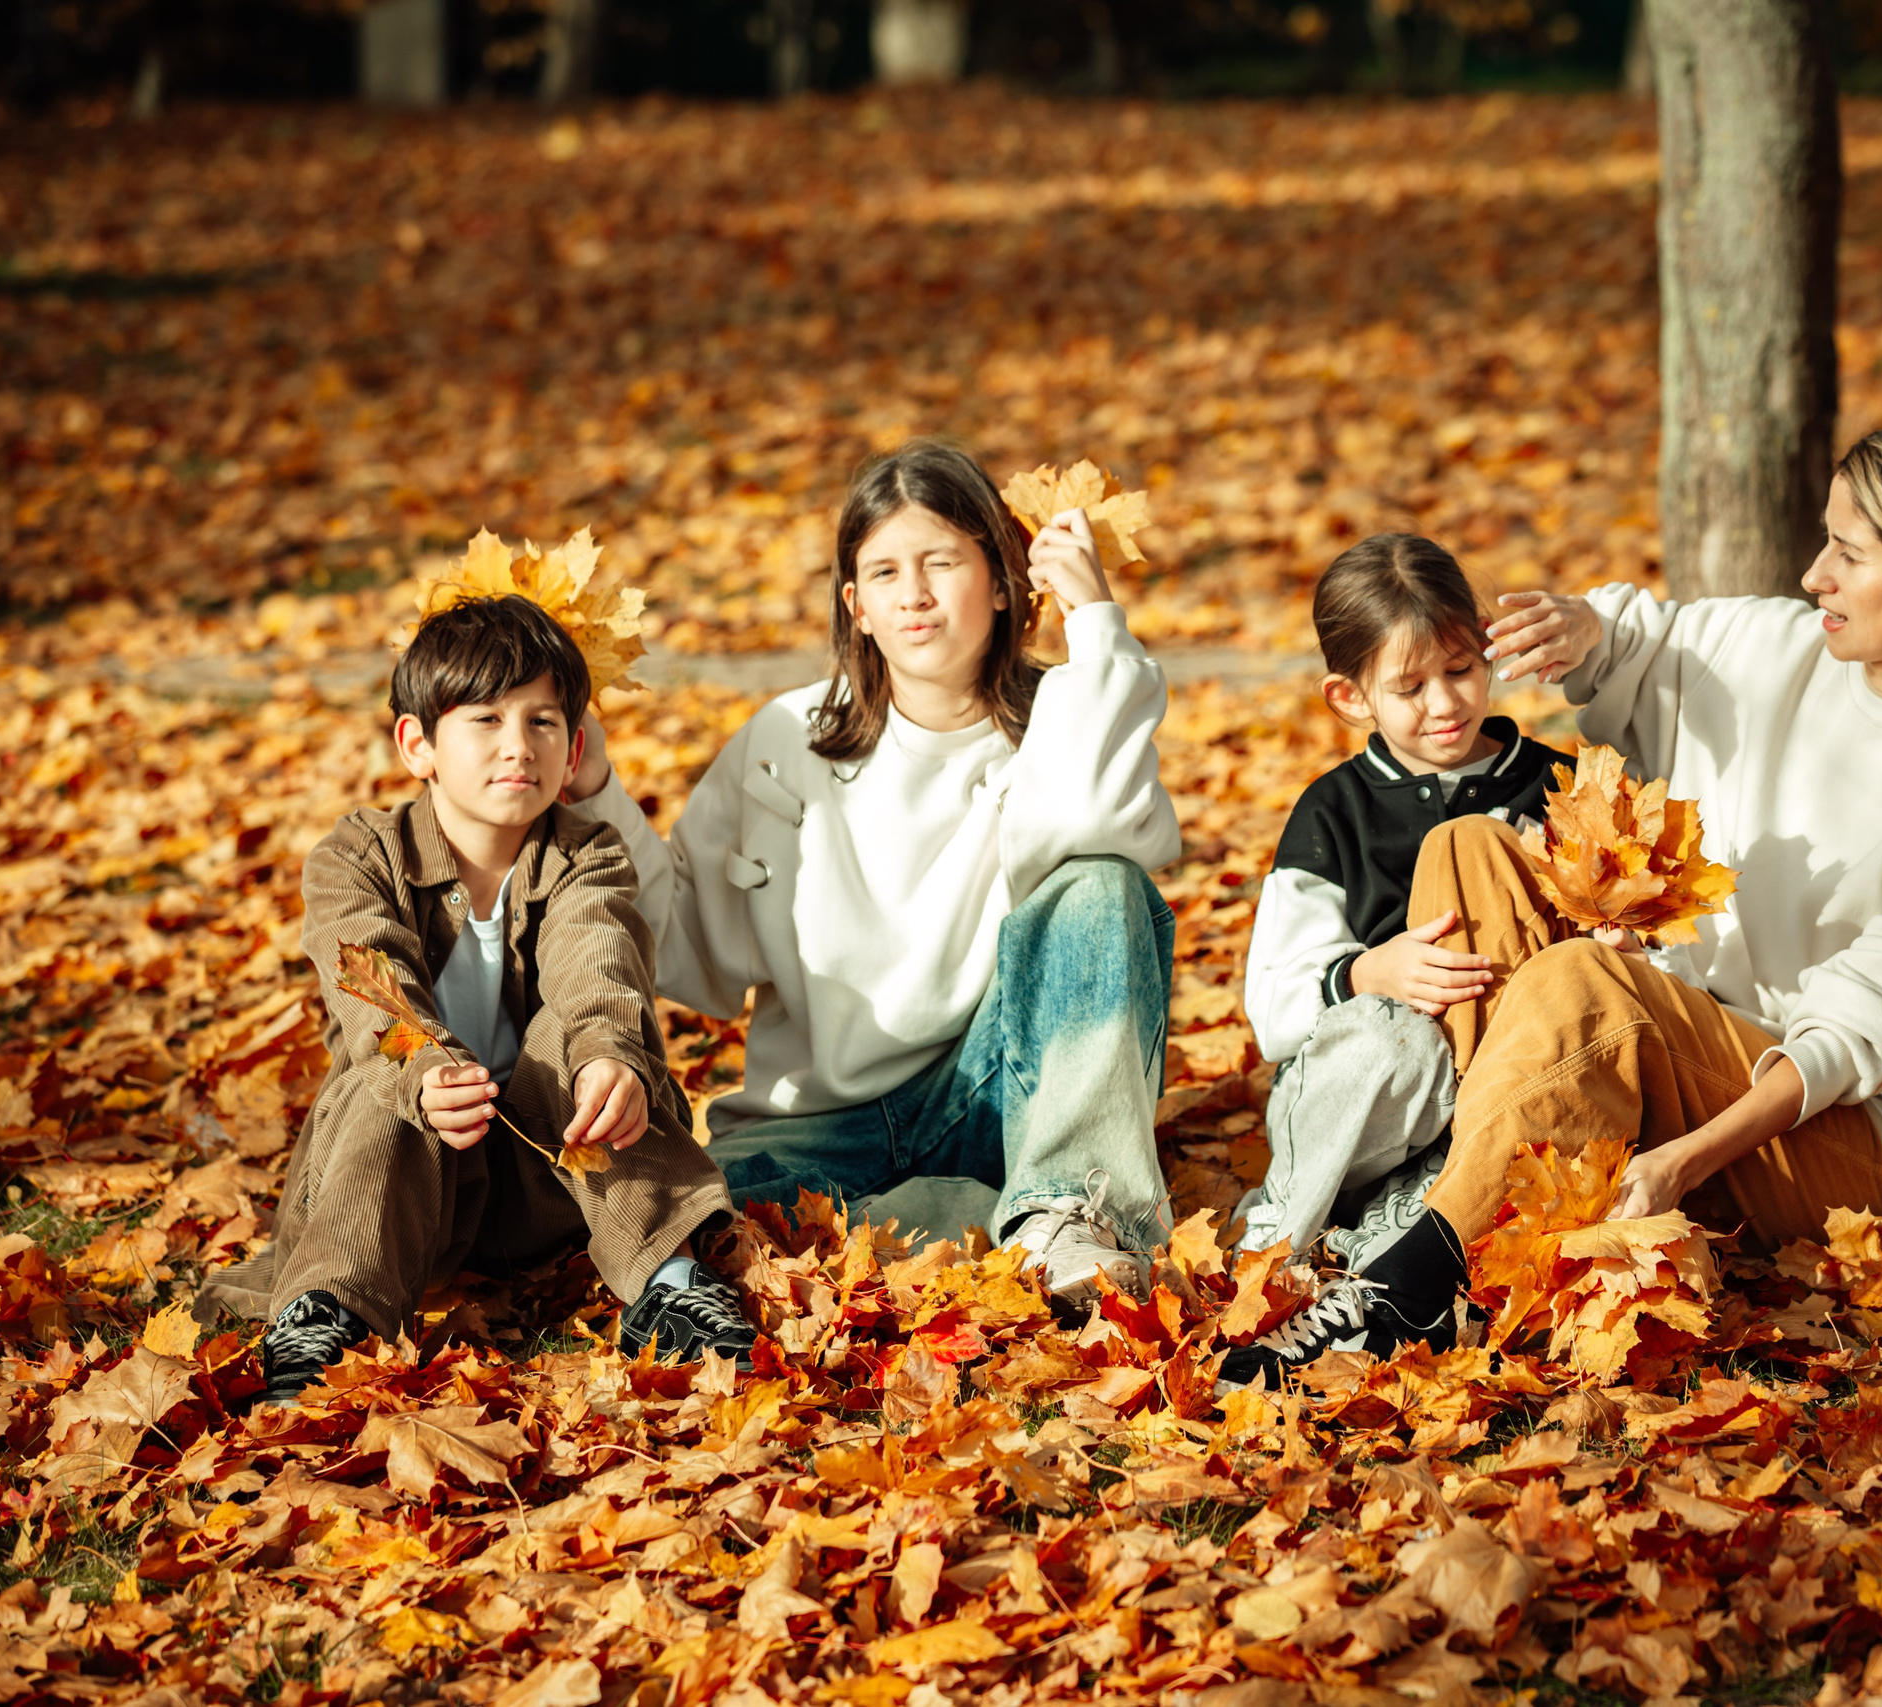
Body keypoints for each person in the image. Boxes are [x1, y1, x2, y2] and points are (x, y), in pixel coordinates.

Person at [1221, 416, 1882, 1388]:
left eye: (1847, 553)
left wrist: (1679, 1165)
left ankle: (1407, 1291)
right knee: (1467, 851)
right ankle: (1475, 1188)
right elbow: (1640, 640)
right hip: (1702, 1037)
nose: (1813, 575)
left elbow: (1846, 1038)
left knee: (1585, 986)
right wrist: (1581, 631)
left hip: (1862, 1132)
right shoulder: (1791, 649)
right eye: (1823, 541)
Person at [563, 440, 1181, 1309]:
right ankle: (964, 1219)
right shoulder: (787, 742)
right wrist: (595, 792)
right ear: (855, 605)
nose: (916, 594)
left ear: (1004, 582)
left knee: (1104, 886)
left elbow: (1106, 821)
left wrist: (1096, 626)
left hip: (994, 1098)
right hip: (814, 1134)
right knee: (690, 1219)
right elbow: (687, 942)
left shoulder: (1057, 728)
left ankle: (1065, 1211)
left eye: (943, 562)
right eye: (885, 571)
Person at [202, 596, 748, 1405]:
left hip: (555, 1176)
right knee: (376, 1076)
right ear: (417, 743)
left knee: (583, 1040)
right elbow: (369, 988)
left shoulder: (587, 853)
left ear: (573, 754)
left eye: (542, 722)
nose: (516, 746)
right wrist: (423, 1067)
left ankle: (669, 1282)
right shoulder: (357, 856)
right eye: (486, 720)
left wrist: (608, 1055)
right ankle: (327, 1315)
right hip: (401, 1183)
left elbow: (598, 959)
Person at [1237, 535, 1566, 1262]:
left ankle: (1405, 1223)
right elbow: (1273, 1008)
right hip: (1370, 1100)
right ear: (1351, 697)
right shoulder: (1335, 811)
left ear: (1487, 653)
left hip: (1505, 1084)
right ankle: (1285, 1221)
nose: (1446, 703)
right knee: (1396, 1044)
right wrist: (1362, 975)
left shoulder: (1557, 788)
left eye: (1461, 670)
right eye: (1411, 688)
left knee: (1522, 1082)